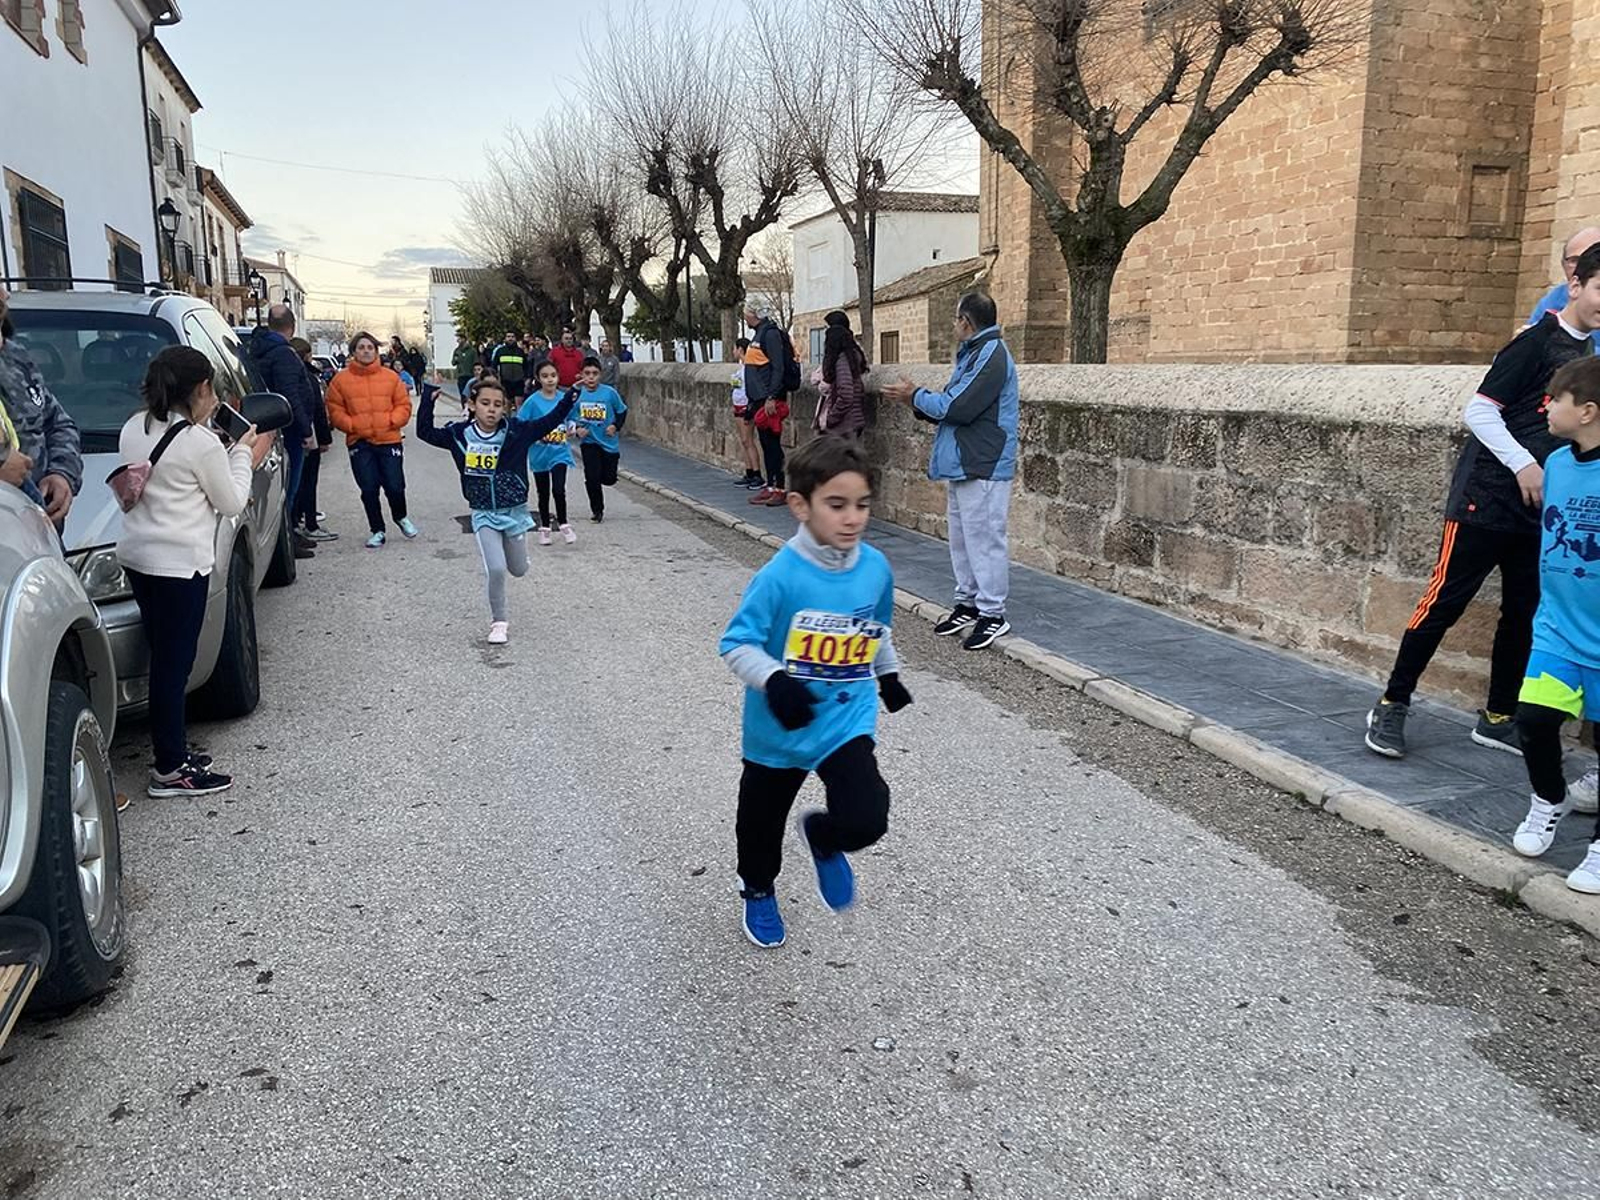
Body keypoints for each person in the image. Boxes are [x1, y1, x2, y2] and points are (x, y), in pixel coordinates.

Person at [1362, 245, 1600, 759]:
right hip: (1484, 500)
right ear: (1576, 285)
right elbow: (1480, 410)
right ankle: (1391, 702)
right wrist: (1523, 464)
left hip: (1539, 512)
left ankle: (1497, 716)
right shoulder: (1534, 342)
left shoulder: (1588, 354)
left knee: (1522, 613)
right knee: (1444, 603)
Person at [718, 436, 912, 948]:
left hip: (844, 720)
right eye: (837, 505)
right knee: (760, 824)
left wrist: (888, 675)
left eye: (862, 505)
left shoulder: (875, 568)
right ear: (800, 505)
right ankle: (758, 888)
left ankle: (825, 837)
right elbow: (736, 643)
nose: (852, 518)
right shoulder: (779, 577)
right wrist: (775, 680)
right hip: (779, 728)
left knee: (868, 816)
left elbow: (876, 629)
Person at [118, 346, 257, 797]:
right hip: (180, 566)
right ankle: (170, 767)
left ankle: (173, 750)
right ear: (201, 388)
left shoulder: (134, 427)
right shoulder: (200, 443)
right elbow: (230, 502)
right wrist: (242, 453)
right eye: (212, 389)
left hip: (139, 559)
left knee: (164, 658)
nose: (214, 398)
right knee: (173, 667)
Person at [1506, 356, 1600, 893]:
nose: (1546, 407)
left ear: (1586, 411)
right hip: (1558, 632)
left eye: (1555, 399)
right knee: (1534, 721)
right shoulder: (1558, 464)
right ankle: (1549, 799)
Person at [881, 291, 1019, 652]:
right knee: (962, 538)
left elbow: (958, 407)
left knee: (984, 539)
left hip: (984, 461)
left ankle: (993, 613)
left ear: (966, 321)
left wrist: (915, 396)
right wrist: (918, 401)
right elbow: (948, 404)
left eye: (956, 319)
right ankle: (968, 602)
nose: (954, 325)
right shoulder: (974, 353)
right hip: (965, 460)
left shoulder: (991, 355)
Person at [416, 374, 577, 643]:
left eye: (497, 404)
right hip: (484, 513)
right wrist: (428, 398)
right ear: (472, 405)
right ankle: (499, 622)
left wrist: (570, 397)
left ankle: (520, 558)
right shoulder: (458, 435)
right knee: (497, 569)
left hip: (514, 512)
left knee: (518, 569)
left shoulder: (517, 432)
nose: (491, 409)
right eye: (485, 403)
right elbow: (424, 432)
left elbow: (549, 421)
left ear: (505, 408)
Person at [325, 331, 418, 548]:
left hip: (389, 439)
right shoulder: (341, 380)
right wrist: (352, 425)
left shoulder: (391, 377)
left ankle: (400, 516)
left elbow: (403, 405)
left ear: (376, 351)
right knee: (368, 488)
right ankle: (377, 530)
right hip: (359, 442)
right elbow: (335, 409)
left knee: (395, 485)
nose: (366, 351)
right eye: (361, 347)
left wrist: (392, 421)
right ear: (354, 352)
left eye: (370, 348)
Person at [0, 287, 81, 530]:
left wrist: (62, 473)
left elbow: (57, 423)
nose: (5, 294)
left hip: (39, 534)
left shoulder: (16, 357)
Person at [250, 305, 318, 560]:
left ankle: (290, 533)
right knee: (289, 487)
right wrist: (306, 430)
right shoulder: (283, 355)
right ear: (292, 326)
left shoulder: (259, 349)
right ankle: (286, 542)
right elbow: (290, 395)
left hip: (271, 427)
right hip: (288, 431)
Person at [519, 360, 578, 545]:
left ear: (558, 377)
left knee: (559, 489)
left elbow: (572, 415)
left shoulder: (563, 398)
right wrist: (535, 436)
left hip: (560, 451)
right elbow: (521, 424)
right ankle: (545, 528)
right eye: (545, 376)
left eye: (553, 375)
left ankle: (564, 524)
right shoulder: (532, 402)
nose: (550, 380)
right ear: (538, 379)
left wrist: (572, 426)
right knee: (543, 492)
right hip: (539, 453)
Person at [742, 303, 794, 507]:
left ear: (754, 314)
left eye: (746, 313)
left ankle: (779, 488)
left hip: (769, 400)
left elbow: (777, 367)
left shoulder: (769, 334)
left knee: (773, 445)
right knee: (766, 444)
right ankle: (771, 486)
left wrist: (772, 396)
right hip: (759, 399)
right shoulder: (759, 334)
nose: (744, 317)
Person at [289, 337, 337, 542]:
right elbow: (318, 410)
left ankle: (297, 519)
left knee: (298, 482)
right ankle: (310, 523)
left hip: (293, 435)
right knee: (308, 481)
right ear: (307, 355)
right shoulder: (308, 377)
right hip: (310, 435)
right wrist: (324, 438)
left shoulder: (290, 376)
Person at [569, 355, 627, 522]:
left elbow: (622, 411)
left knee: (608, 479)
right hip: (589, 442)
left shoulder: (609, 393)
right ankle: (597, 510)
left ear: (600, 375)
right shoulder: (577, 395)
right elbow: (568, 418)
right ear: (581, 375)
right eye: (587, 373)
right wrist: (577, 429)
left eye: (594, 373)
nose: (591, 377)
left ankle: (605, 477)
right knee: (592, 477)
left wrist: (615, 426)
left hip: (608, 443)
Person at [1528, 228, 1600, 346]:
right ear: (1563, 265)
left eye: (1591, 259)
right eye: (1574, 260)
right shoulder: (1553, 299)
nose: (1581, 266)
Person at [817, 310, 868, 438]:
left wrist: (830, 418)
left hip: (844, 425)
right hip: (851, 422)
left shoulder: (842, 359)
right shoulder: (852, 354)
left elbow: (846, 394)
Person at [729, 336, 763, 489]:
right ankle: (749, 472)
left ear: (740, 349)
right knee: (744, 441)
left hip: (745, 408)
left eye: (734, 348)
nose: (733, 351)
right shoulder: (742, 368)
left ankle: (756, 474)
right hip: (738, 407)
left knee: (748, 440)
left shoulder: (749, 368)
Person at [490, 331, 529, 401]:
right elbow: (494, 366)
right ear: (505, 339)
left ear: (515, 338)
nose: (510, 338)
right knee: (506, 403)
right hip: (505, 382)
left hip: (519, 382)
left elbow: (526, 366)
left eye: (512, 337)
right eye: (508, 337)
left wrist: (526, 379)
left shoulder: (520, 352)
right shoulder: (500, 351)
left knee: (519, 402)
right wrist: (495, 378)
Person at [452, 333, 479, 399]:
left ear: (464, 339)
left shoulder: (472, 351)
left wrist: (476, 374)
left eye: (459, 339)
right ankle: (464, 405)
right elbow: (453, 362)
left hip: (470, 375)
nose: (457, 341)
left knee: (471, 394)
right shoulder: (457, 351)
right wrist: (456, 359)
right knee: (463, 395)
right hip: (461, 375)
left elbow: (476, 363)